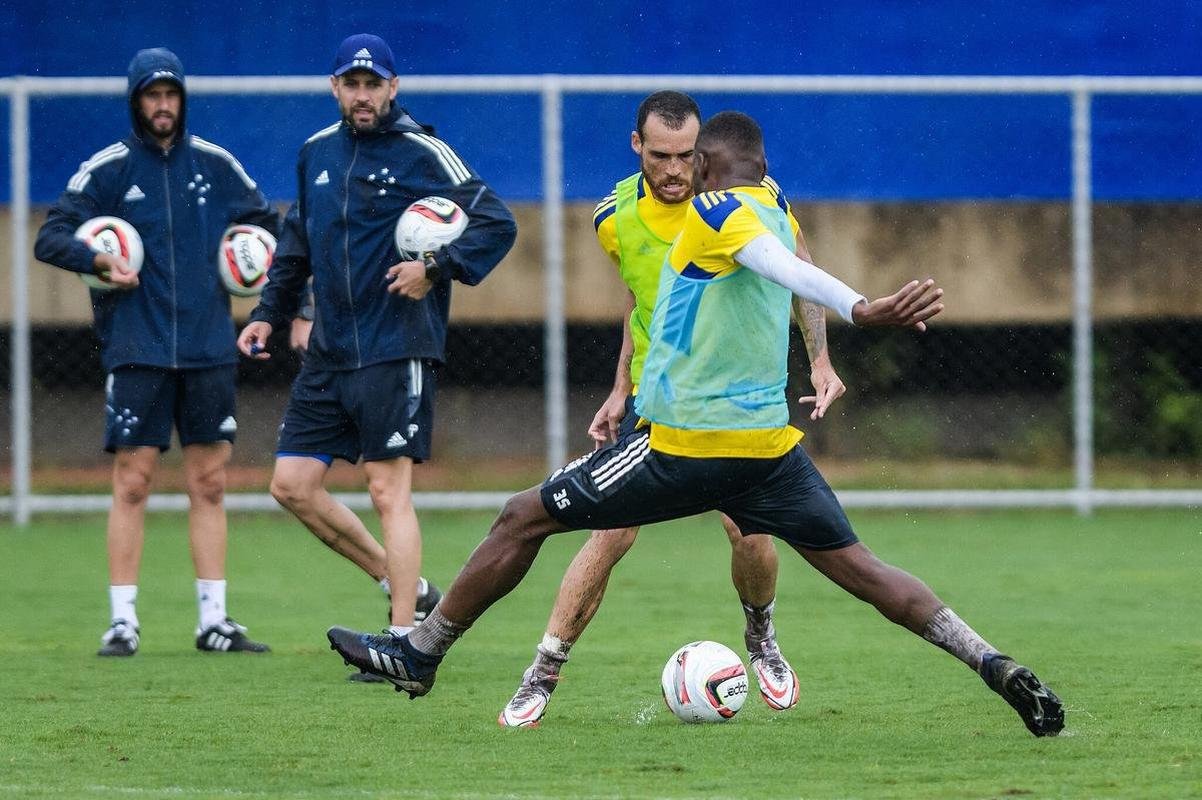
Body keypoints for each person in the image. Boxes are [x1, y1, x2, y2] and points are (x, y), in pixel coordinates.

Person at [328, 111, 1066, 738]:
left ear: (708, 165)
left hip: (679, 447)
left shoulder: (717, 213)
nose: (680, 171)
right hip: (770, 453)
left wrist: (862, 308)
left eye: (691, 159)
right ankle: (991, 661)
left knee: (522, 517)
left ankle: (421, 652)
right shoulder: (769, 202)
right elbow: (774, 259)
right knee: (866, 571)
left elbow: (780, 265)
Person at [499, 91, 846, 727]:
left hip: (729, 401)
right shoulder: (613, 217)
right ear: (638, 147)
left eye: (687, 155)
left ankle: (761, 635)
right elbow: (643, 302)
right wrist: (619, 388)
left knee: (749, 532)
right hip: (659, 398)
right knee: (611, 532)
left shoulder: (751, 197)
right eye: (661, 156)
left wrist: (820, 361)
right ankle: (542, 672)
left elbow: (800, 269)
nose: (675, 170)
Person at [237, 34, 517, 665]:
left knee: (387, 490)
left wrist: (435, 268)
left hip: (398, 346)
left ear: (393, 87)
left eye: (373, 84)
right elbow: (296, 246)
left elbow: (497, 223)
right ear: (334, 88)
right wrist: (267, 315)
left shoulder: (423, 151)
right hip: (330, 351)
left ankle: (401, 642)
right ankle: (405, 586)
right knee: (291, 485)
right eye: (351, 84)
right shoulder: (316, 153)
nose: (362, 95)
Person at [34, 48, 277, 657]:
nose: (162, 106)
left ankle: (214, 621)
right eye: (152, 95)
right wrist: (97, 260)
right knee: (134, 481)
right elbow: (51, 236)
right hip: (136, 348)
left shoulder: (217, 164)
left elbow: (268, 227)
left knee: (210, 483)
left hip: (208, 348)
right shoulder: (109, 169)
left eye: (171, 95)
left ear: (182, 100)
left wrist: (255, 264)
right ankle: (122, 622)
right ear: (136, 101)